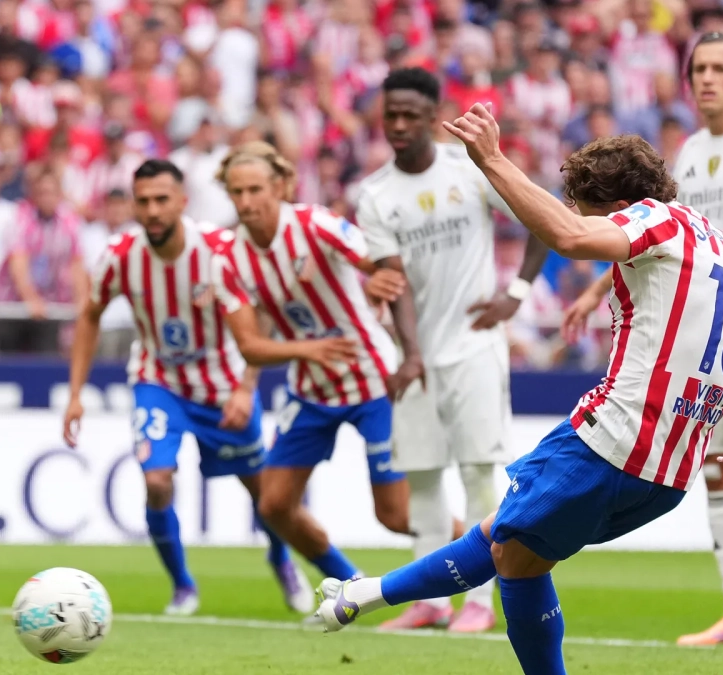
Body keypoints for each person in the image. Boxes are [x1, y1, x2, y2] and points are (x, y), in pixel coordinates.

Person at [314, 105, 723, 675]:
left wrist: (491, 159)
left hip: (615, 437)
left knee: (508, 552)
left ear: (620, 210)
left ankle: (364, 595)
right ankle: (360, 595)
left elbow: (567, 236)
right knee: (514, 551)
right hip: (671, 474)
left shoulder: (651, 219)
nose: (575, 216)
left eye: (584, 206)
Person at [560, 32, 723, 647]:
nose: (706, 79)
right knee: (718, 471)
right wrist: (598, 291)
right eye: (698, 68)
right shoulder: (691, 152)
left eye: (721, 68)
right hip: (704, 347)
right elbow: (665, 238)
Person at [63, 159, 322, 617]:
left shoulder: (220, 249)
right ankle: (183, 585)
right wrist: (76, 394)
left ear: (182, 202)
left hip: (223, 383)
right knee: (157, 481)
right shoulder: (120, 254)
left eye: (162, 200)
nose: (153, 210)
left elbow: (259, 314)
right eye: (143, 201)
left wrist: (246, 386)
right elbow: (90, 314)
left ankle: (281, 560)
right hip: (157, 379)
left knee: (264, 494)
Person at [353, 67, 549, 632]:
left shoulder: (469, 168)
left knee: (479, 473)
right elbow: (394, 281)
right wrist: (410, 354)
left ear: (434, 112)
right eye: (391, 113)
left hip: (475, 347)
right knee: (422, 477)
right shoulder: (375, 195)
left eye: (411, 114)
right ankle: (431, 602)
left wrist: (515, 293)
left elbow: (539, 214)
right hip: (417, 356)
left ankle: (482, 604)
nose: (398, 124)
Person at [211, 140, 421, 588]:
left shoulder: (314, 223)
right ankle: (348, 583)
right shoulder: (228, 260)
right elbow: (249, 346)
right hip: (312, 388)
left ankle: (491, 556)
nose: (246, 202)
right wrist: (308, 351)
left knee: (396, 514)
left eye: (254, 190)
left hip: (373, 380)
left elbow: (376, 259)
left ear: (280, 187)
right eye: (237, 192)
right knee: (273, 505)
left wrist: (380, 276)